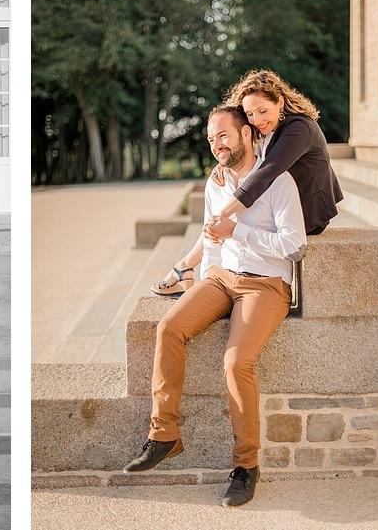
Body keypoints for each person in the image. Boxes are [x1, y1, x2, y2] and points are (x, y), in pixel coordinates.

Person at [124, 105, 307, 508]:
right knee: (169, 328)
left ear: (246, 134)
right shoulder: (216, 182)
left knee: (235, 362)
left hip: (266, 285)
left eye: (223, 135)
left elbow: (295, 246)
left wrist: (238, 230)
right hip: (221, 278)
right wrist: (206, 278)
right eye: (210, 138)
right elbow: (210, 239)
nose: (216, 144)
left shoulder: (279, 181)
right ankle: (164, 434)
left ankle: (246, 467)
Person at [152, 69, 343, 297]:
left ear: (280, 102)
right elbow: (244, 153)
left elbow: (266, 172)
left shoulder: (299, 129)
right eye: (250, 113)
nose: (256, 120)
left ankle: (185, 267)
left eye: (263, 110)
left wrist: (223, 215)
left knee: (229, 219)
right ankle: (189, 267)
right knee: (229, 217)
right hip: (284, 207)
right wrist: (223, 164)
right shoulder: (268, 127)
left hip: (308, 214)